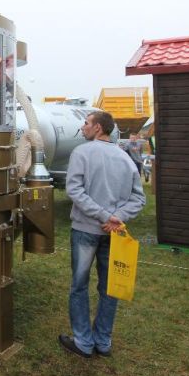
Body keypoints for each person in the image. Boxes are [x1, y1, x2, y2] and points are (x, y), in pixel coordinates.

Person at [59, 111, 146, 358]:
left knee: (79, 287)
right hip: (114, 234)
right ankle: (103, 342)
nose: (82, 127)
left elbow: (74, 190)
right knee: (110, 287)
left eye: (86, 123)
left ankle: (84, 343)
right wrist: (116, 217)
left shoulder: (81, 153)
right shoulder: (125, 158)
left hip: (86, 230)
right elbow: (139, 198)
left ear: (98, 128)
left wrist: (104, 216)